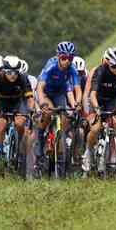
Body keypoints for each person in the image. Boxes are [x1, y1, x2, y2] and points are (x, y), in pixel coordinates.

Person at [82, 47, 116, 174]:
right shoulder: (100, 71)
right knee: (95, 128)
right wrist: (97, 110)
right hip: (97, 100)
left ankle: (113, 152)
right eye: (114, 66)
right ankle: (88, 152)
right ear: (107, 64)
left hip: (111, 100)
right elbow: (92, 94)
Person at [35, 42, 82, 174]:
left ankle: (61, 152)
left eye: (70, 58)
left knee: (65, 118)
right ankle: (39, 143)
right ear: (58, 57)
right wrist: (43, 103)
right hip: (45, 92)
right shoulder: (51, 65)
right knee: (48, 113)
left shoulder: (72, 69)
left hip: (59, 93)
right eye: (63, 58)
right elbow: (39, 88)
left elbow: (77, 89)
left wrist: (77, 104)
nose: (67, 61)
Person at [0, 56, 36, 173]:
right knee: (1, 125)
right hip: (2, 104)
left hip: (17, 104)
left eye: (15, 72)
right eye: (9, 72)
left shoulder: (23, 78)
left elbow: (30, 98)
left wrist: (31, 109)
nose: (13, 75)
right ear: (4, 71)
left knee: (20, 124)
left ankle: (20, 151)